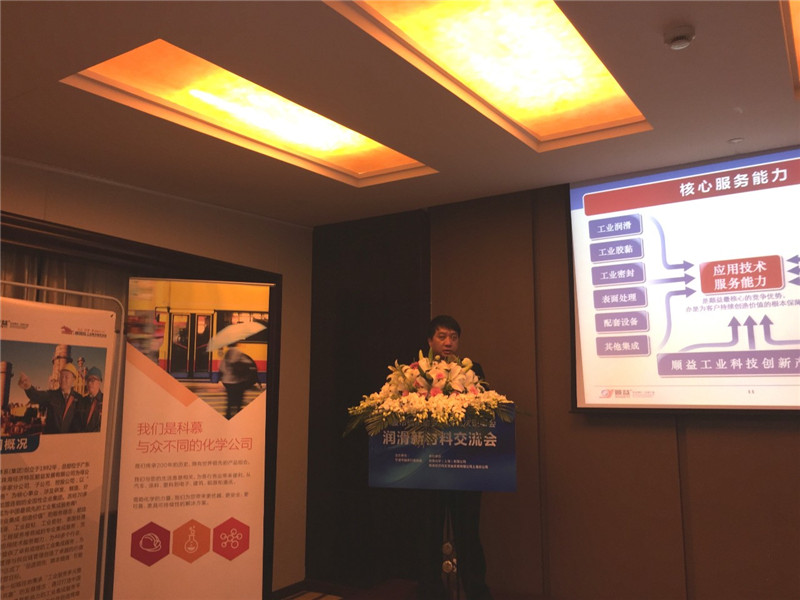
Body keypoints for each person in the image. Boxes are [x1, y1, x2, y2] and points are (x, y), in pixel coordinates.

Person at [417, 315, 493, 600]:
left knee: (468, 533)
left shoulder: (473, 370)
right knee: (429, 532)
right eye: (442, 336)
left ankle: (476, 591)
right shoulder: (417, 373)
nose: (448, 342)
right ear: (430, 341)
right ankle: (430, 591)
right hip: (429, 467)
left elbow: (487, 407)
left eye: (453, 337)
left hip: (465, 466)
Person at [19, 362, 83, 434]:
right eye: (61, 376)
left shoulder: (79, 399)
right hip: (51, 438)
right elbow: (37, 396)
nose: (63, 379)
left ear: (74, 379)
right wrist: (28, 387)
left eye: (66, 377)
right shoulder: (51, 395)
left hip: (70, 439)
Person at [219, 345, 258, 419]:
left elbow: (221, 367)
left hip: (227, 382)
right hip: (238, 382)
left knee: (229, 402)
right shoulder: (238, 352)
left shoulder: (226, 354)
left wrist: (227, 374)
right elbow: (249, 363)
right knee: (239, 402)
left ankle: (228, 417)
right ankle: (238, 418)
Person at [78, 366, 103, 433]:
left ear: (99, 382)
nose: (89, 383)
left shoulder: (105, 401)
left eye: (92, 380)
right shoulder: (82, 401)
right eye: (88, 380)